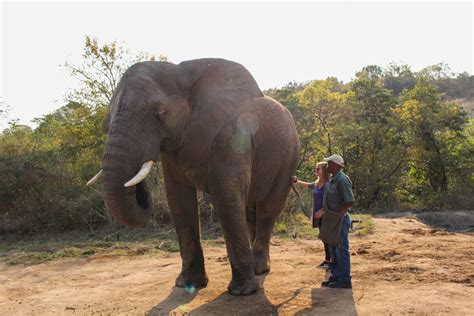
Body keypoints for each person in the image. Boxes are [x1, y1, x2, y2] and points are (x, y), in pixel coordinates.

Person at [319, 154, 355, 289]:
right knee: (333, 249)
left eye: (329, 163)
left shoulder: (342, 180)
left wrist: (338, 213)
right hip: (333, 220)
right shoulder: (334, 179)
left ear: (336, 165)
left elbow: (349, 201)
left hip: (340, 220)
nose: (327, 166)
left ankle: (345, 280)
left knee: (341, 250)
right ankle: (336, 276)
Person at [292, 161, 331, 269]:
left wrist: (323, 210)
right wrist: (297, 181)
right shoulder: (317, 183)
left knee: (328, 238)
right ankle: (328, 260)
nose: (316, 171)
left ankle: (330, 261)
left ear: (324, 171)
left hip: (327, 216)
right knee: (325, 238)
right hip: (319, 216)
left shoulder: (328, 184)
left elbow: (332, 201)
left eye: (318, 169)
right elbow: (308, 185)